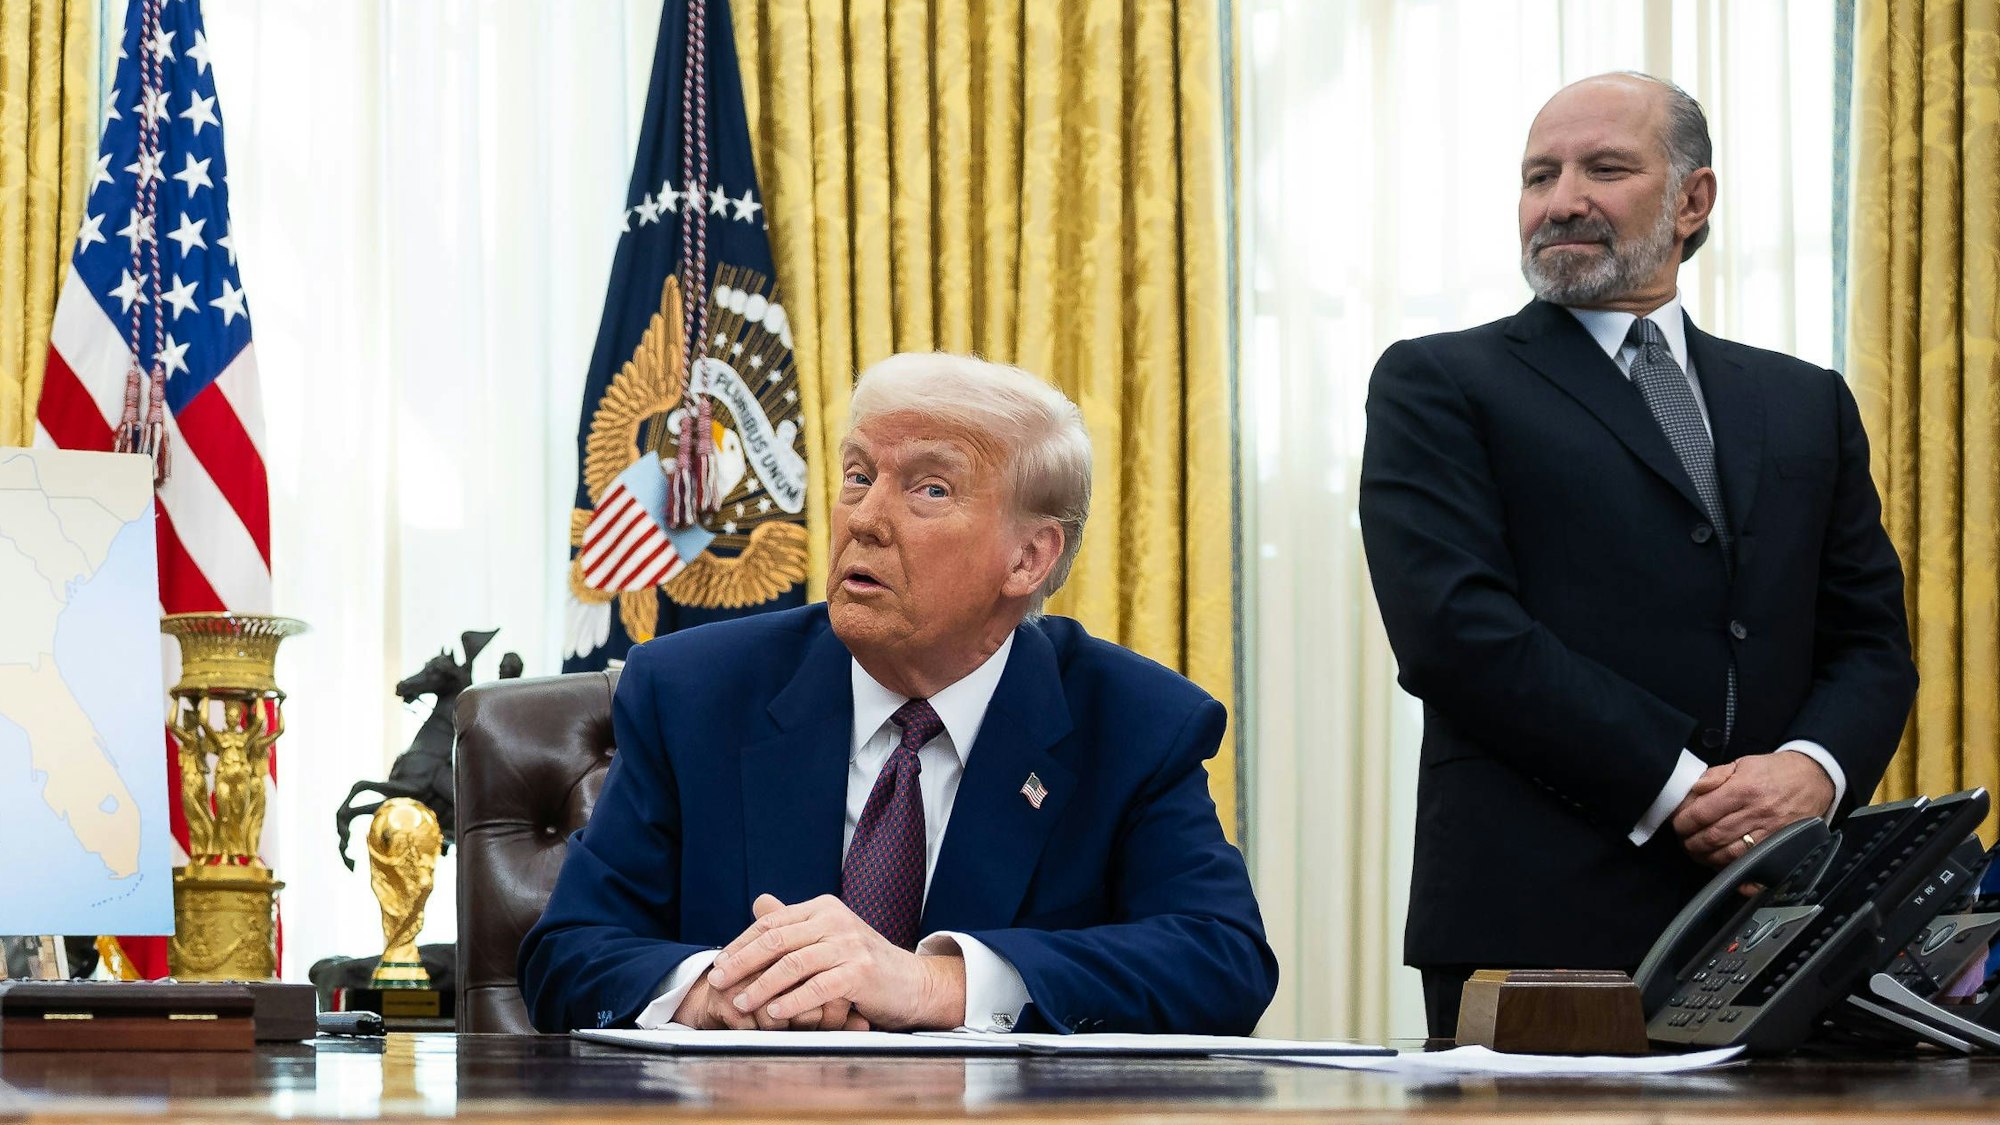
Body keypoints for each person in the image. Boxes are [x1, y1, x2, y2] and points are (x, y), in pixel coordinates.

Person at [1357, 72, 1918, 1038]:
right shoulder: (1438, 380)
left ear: (1693, 199)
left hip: (1782, 910)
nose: (1561, 199)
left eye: (1604, 168)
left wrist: (1811, 772)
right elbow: (1456, 634)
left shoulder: (1805, 400)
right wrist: (1681, 787)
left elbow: (1871, 641)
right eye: (1540, 175)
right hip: (1535, 922)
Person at [520, 352, 1277, 1035]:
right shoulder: (694, 692)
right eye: (857, 475)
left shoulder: (1134, 723)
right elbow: (570, 952)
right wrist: (711, 993)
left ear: (1029, 557)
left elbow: (1222, 959)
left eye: (930, 487)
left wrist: (934, 982)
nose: (866, 518)